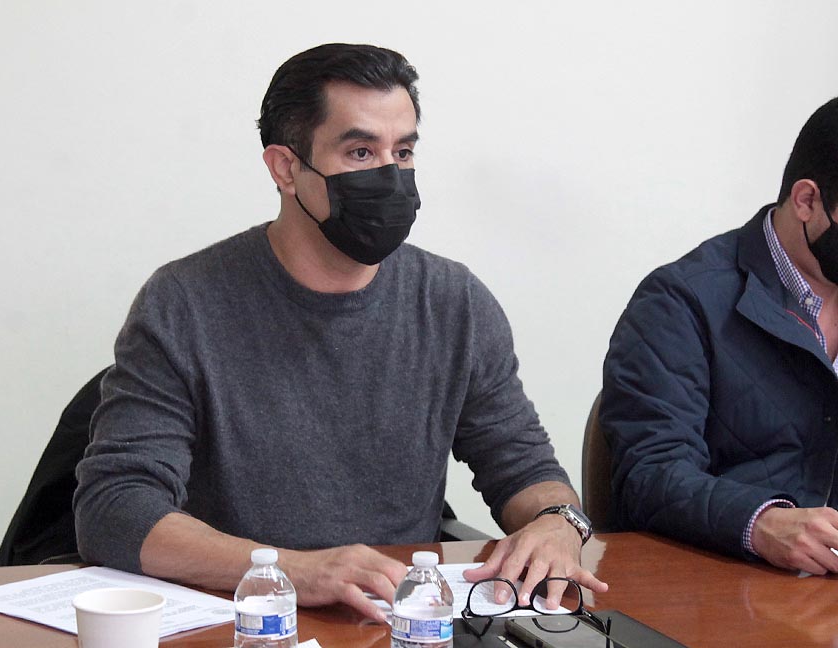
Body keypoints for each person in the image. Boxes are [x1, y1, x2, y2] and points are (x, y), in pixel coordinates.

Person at [74, 43, 606, 620]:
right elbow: (115, 509)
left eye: (403, 151)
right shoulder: (184, 302)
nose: (390, 176)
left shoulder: (455, 303)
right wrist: (291, 571)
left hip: (397, 618)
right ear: (285, 168)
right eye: (360, 151)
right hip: (243, 619)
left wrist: (558, 523)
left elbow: (525, 469)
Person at [601, 96, 838, 575]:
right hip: (729, 584)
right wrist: (761, 523)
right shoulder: (679, 301)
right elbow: (649, 475)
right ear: (807, 201)